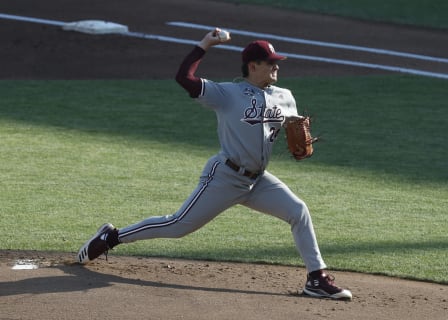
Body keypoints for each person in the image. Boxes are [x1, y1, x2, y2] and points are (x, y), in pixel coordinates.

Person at [77, 28, 352, 300]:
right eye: (271, 63)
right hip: (225, 177)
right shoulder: (226, 93)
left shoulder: (285, 96)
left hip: (258, 181)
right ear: (253, 66)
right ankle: (111, 237)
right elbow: (184, 78)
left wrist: (301, 142)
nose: (276, 67)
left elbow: (290, 127)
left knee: (298, 211)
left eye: (277, 63)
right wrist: (205, 44)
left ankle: (316, 278)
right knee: (178, 226)